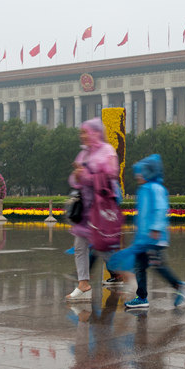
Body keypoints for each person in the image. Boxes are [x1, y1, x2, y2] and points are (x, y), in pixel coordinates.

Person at [122, 154, 185, 310]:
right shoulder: (144, 189)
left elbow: (160, 210)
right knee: (140, 266)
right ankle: (141, 298)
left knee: (158, 266)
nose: (138, 175)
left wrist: (155, 228)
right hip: (143, 238)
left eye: (141, 172)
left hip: (154, 237)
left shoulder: (156, 188)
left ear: (149, 173)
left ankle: (180, 286)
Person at [66, 118, 120, 301]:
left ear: (95, 133)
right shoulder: (83, 154)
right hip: (85, 210)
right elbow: (74, 181)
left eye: (84, 132)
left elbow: (110, 177)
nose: (81, 136)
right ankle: (83, 284)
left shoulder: (107, 151)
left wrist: (86, 176)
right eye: (81, 132)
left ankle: (124, 275)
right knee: (80, 246)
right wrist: (77, 175)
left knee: (102, 246)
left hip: (100, 208)